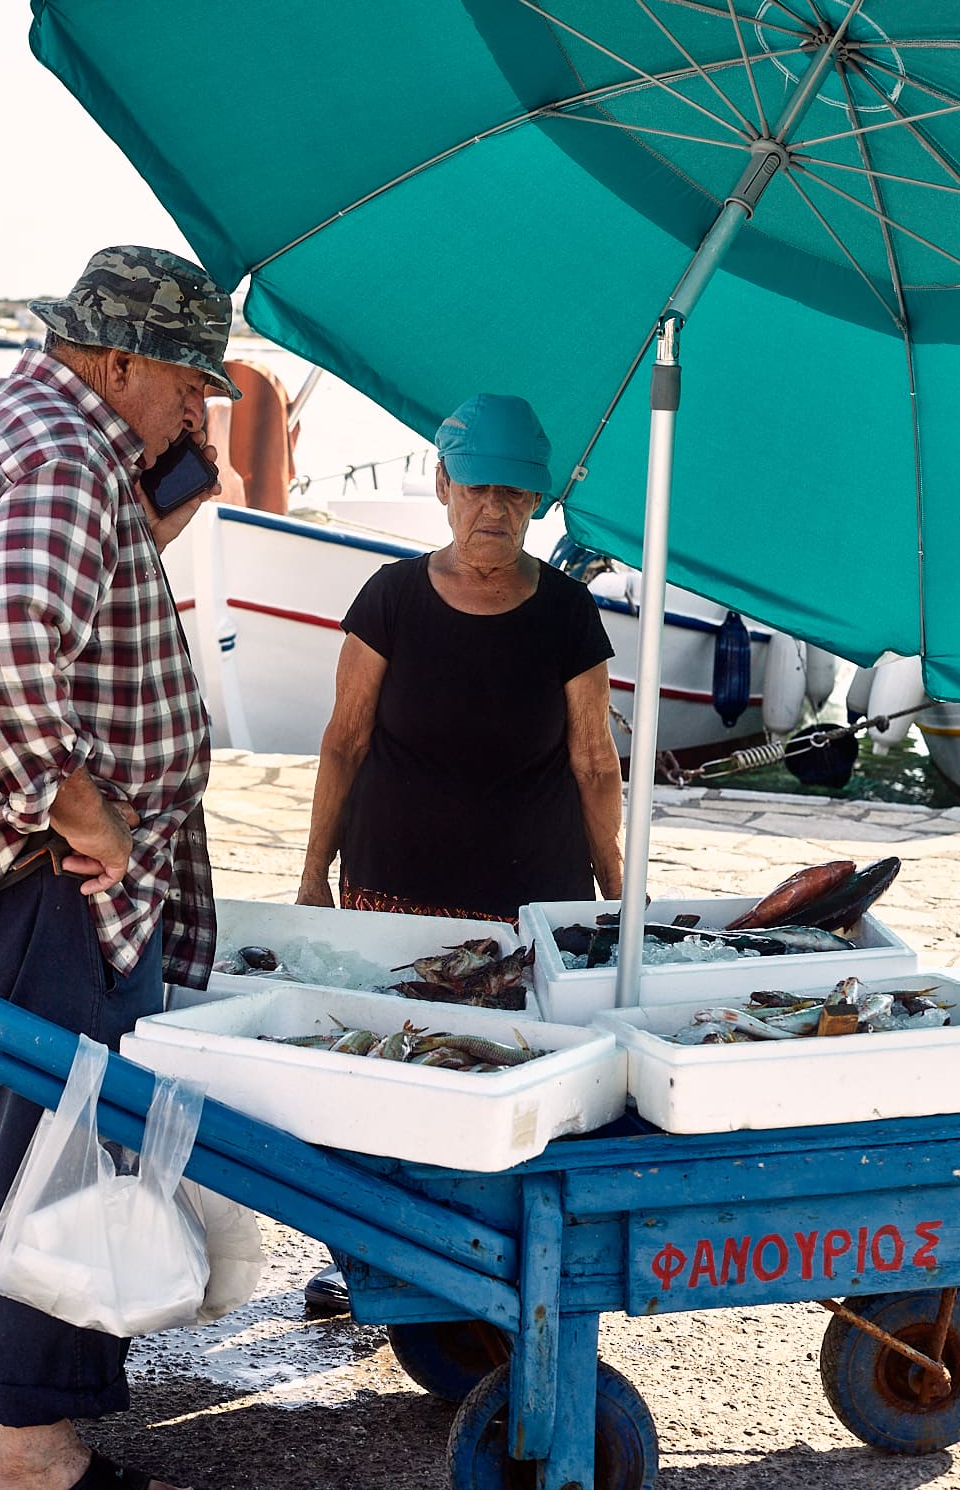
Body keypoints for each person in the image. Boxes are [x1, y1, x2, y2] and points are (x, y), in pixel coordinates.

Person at [0, 246, 241, 1490]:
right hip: (47, 868)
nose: (196, 408)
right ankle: (35, 1447)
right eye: (189, 379)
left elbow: (26, 600)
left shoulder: (7, 428)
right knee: (64, 1129)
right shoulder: (62, 455)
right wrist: (80, 803)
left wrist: (155, 513)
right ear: (121, 360)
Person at [295, 393, 624, 1311]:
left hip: (528, 898)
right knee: (385, 1068)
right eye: (478, 487)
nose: (495, 510)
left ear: (537, 502)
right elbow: (344, 741)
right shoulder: (389, 600)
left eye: (516, 495)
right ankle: (362, 1251)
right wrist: (312, 871)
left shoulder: (566, 613)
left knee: (510, 1073)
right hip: (395, 888)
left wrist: (616, 895)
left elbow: (595, 760)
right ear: (442, 485)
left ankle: (491, 1255)